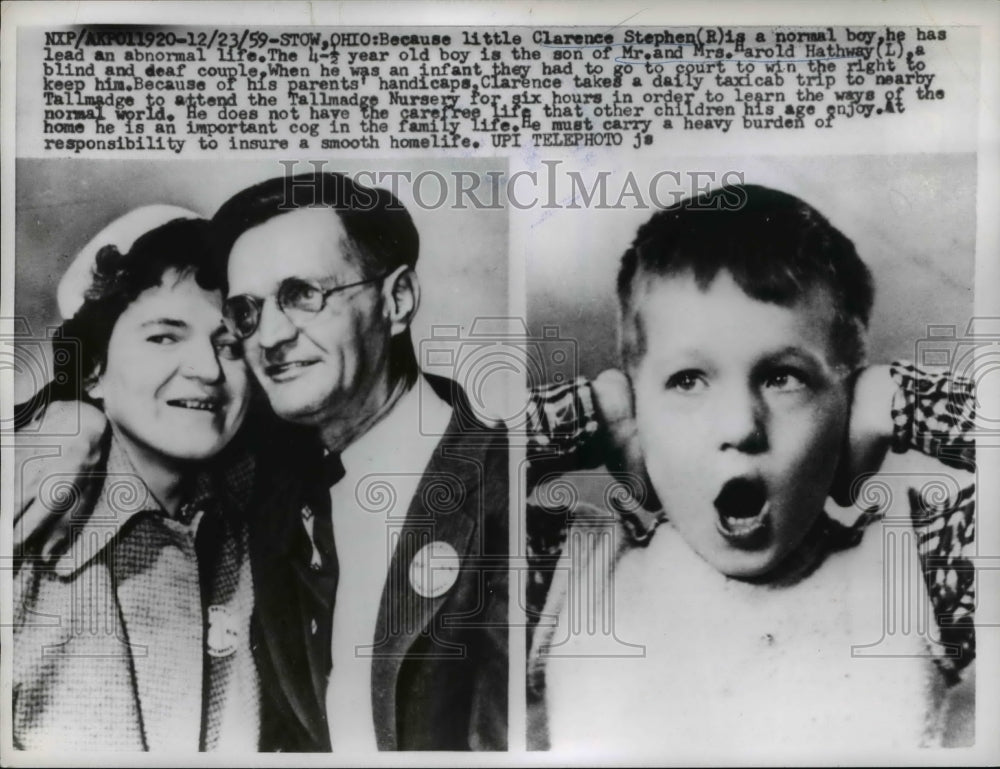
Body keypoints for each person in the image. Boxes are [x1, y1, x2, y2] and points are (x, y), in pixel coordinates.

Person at [528, 184, 977, 753]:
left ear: (847, 400)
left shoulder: (914, 573)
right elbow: (432, 483)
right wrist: (591, 415)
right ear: (638, 406)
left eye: (783, 377)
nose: (740, 426)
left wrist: (899, 400)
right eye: (687, 380)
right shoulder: (574, 578)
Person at [210, 172, 509, 751]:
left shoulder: (506, 490)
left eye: (304, 295)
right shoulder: (267, 480)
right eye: (247, 311)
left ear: (396, 301)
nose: (270, 336)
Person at [12, 211, 260, 751]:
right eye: (165, 337)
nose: (208, 369)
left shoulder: (267, 518)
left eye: (231, 344)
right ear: (94, 369)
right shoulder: (24, 513)